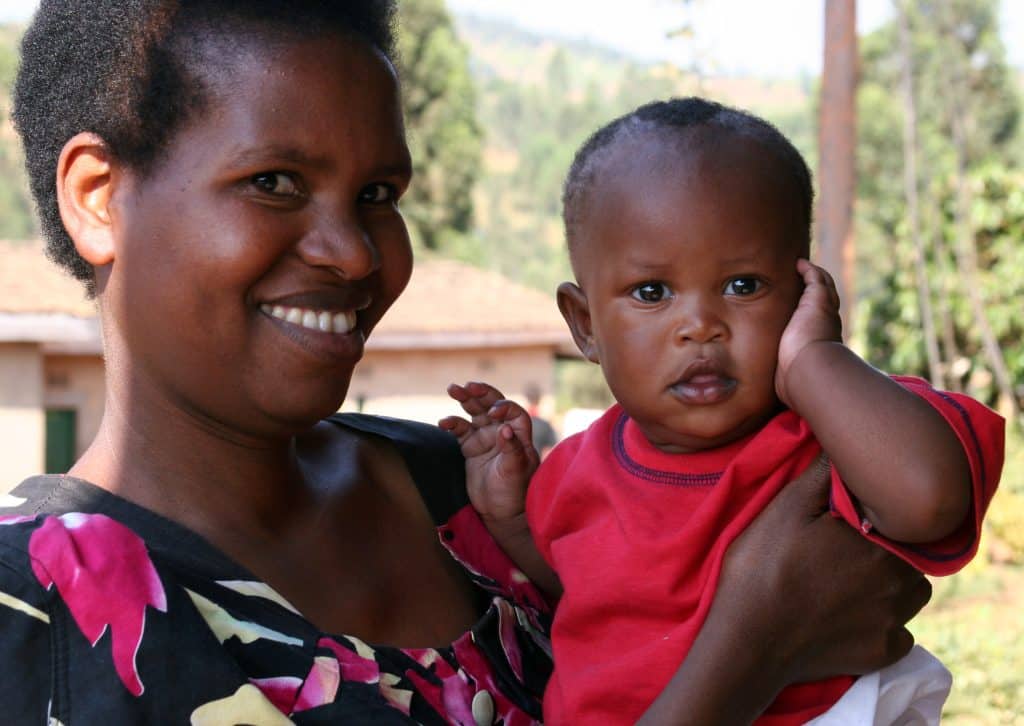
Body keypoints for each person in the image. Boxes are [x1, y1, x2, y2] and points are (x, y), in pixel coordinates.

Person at [0, 3, 933, 721]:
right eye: (273, 182)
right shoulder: (41, 615)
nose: (356, 253)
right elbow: (761, 620)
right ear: (96, 199)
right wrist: (750, 648)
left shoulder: (465, 490)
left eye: (378, 194)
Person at [442, 98, 1004, 724]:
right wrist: (514, 514)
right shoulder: (576, 468)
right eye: (652, 293)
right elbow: (583, 592)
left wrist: (816, 360)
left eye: (743, 286)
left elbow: (927, 499)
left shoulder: (830, 433)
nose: (700, 326)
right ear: (585, 325)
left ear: (803, 291)